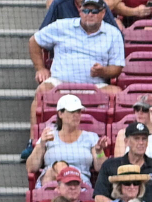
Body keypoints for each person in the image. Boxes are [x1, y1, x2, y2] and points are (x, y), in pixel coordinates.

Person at [27, 0, 123, 136]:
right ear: (80, 12)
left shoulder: (113, 33)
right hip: (60, 83)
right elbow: (34, 41)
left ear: (103, 13)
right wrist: (40, 68)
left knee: (118, 94)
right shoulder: (61, 26)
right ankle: (33, 141)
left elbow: (117, 67)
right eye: (86, 11)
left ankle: (112, 142)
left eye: (95, 11)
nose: (90, 14)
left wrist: (104, 71)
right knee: (42, 91)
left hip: (95, 86)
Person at [24, 94, 106, 186]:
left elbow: (100, 168)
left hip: (79, 184)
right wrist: (41, 144)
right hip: (52, 182)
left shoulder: (91, 137)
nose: (76, 115)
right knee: (53, 170)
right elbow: (31, 168)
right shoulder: (49, 135)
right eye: (72, 111)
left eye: (78, 111)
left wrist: (99, 152)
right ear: (60, 114)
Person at [94, 122, 152, 202]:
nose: (141, 143)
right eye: (136, 139)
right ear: (126, 141)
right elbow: (98, 197)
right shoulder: (111, 165)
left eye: (144, 139)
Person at [112, 97, 152, 164]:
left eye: (144, 109)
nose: (140, 112)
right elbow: (119, 163)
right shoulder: (123, 134)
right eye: (137, 109)